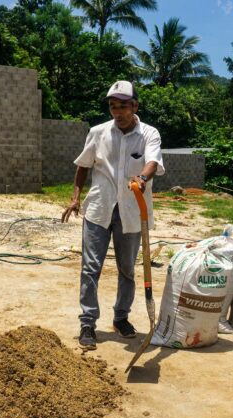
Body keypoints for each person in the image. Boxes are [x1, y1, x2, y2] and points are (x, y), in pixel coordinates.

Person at [61, 80, 165, 350]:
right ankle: (87, 322)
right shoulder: (97, 132)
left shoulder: (149, 134)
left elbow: (153, 161)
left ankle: (121, 317)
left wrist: (142, 177)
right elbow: (83, 166)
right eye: (112, 106)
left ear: (135, 106)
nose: (117, 112)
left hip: (131, 211)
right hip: (99, 208)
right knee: (90, 268)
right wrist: (75, 199)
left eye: (123, 106)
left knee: (127, 270)